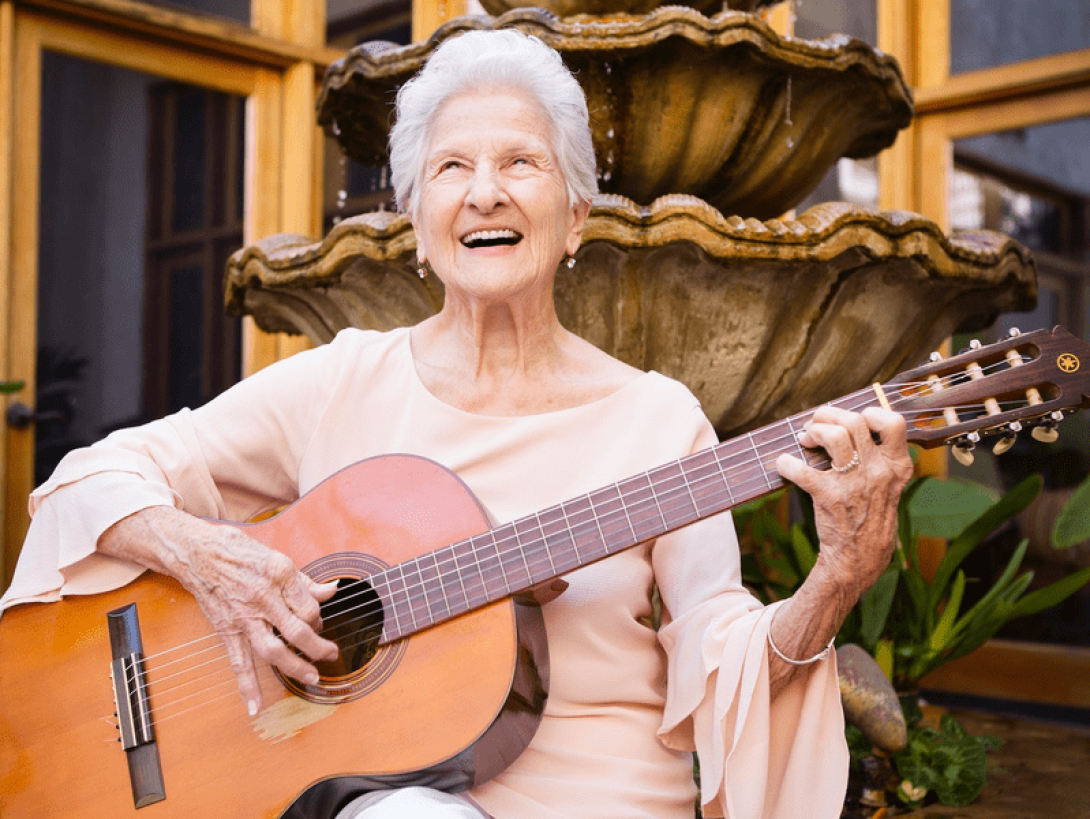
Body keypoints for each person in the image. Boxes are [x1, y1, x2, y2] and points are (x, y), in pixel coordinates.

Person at [0, 29, 913, 819]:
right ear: (415, 222)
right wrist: (209, 559)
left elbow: (726, 659)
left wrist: (838, 576)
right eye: (451, 168)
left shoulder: (656, 418)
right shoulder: (342, 380)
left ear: (575, 219)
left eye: (522, 163)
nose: (485, 192)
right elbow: (90, 477)